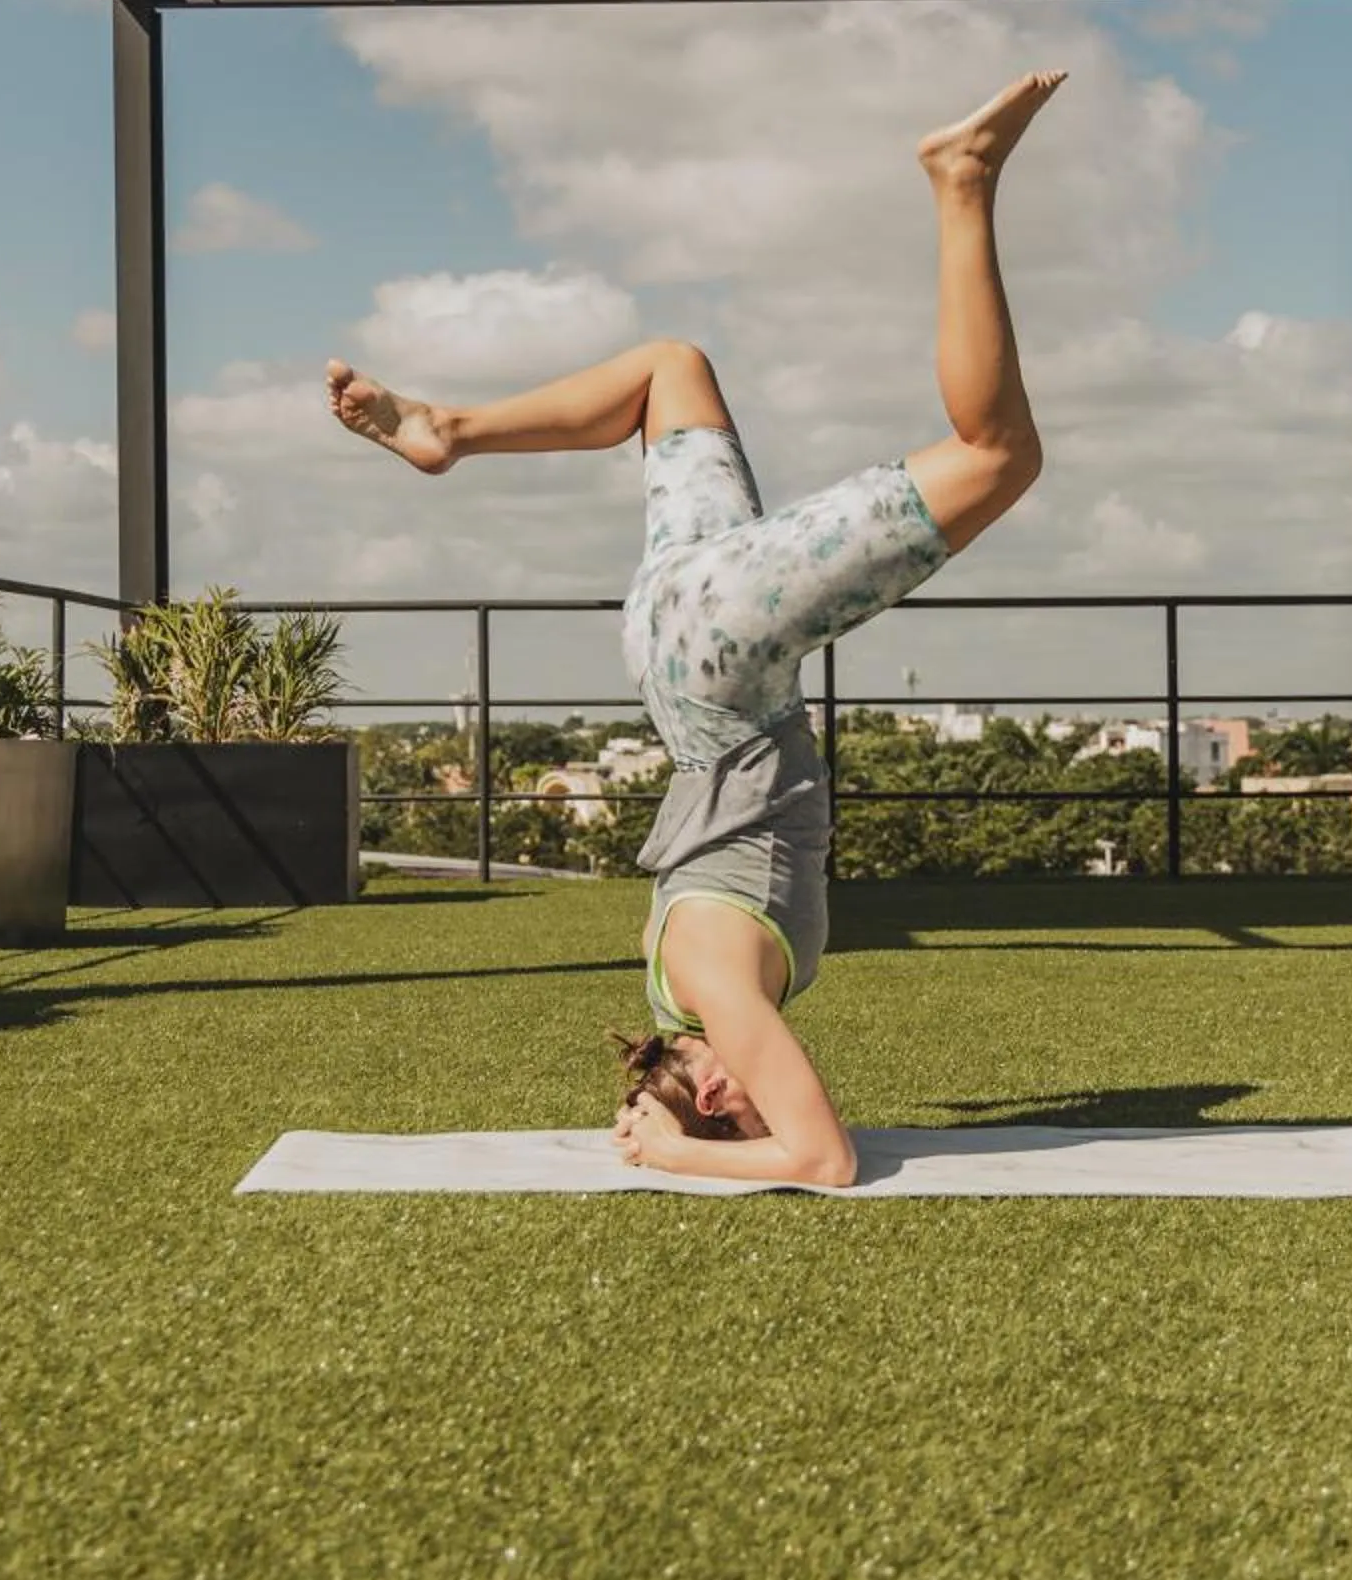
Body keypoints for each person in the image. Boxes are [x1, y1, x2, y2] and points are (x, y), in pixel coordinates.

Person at [325, 70, 1064, 1186]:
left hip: (724, 656)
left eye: (730, 1093)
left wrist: (672, 1150)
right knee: (672, 365)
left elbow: (824, 1159)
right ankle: (451, 428)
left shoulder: (714, 987)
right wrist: (661, 1114)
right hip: (676, 639)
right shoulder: (688, 982)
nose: (756, 1081)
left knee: (998, 454)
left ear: (714, 1088)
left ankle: (962, 181)